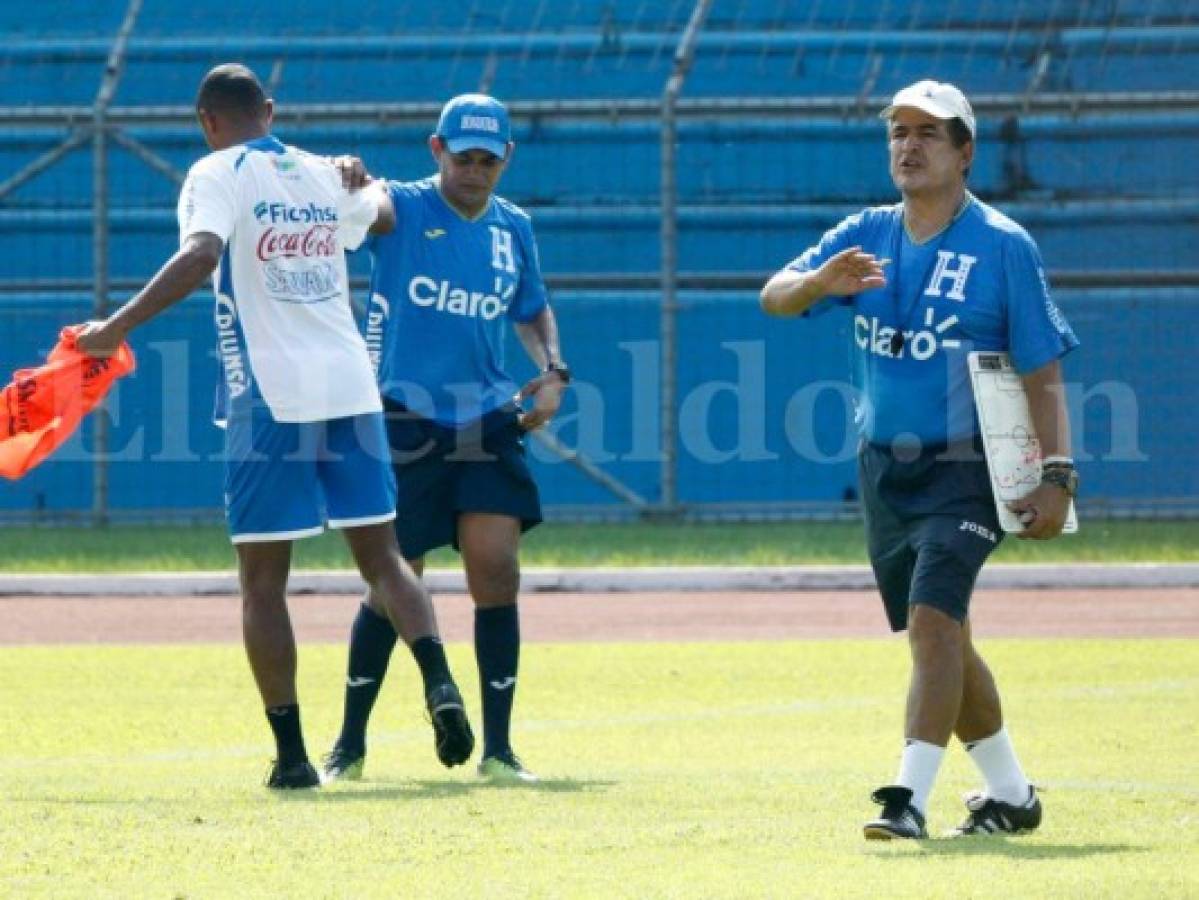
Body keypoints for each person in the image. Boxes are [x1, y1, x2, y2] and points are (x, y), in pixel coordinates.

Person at [75, 64, 474, 790]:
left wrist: (116, 327)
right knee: (384, 558)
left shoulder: (213, 171)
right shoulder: (325, 173)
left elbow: (201, 255)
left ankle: (291, 758)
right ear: (270, 109)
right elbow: (382, 216)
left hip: (270, 394)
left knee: (263, 582)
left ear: (207, 120)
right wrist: (359, 176)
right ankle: (441, 682)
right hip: (351, 386)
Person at [761, 80, 1079, 839]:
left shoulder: (1002, 246)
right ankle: (1010, 796)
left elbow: (1042, 374)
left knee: (933, 625)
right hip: (883, 469)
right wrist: (816, 283)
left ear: (965, 153)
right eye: (898, 131)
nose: (907, 145)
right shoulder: (865, 232)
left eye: (928, 134)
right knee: (945, 638)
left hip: (965, 467)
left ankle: (906, 799)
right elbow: (773, 296)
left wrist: (1058, 475)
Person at [321, 93, 568, 785]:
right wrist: (347, 179)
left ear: (506, 158)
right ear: (437, 150)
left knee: (496, 569)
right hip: (400, 415)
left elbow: (532, 307)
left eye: (489, 159)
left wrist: (552, 370)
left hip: (486, 417)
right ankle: (348, 743)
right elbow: (365, 206)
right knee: (395, 578)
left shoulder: (512, 227)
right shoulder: (403, 205)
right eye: (463, 157)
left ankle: (499, 749)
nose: (475, 170)